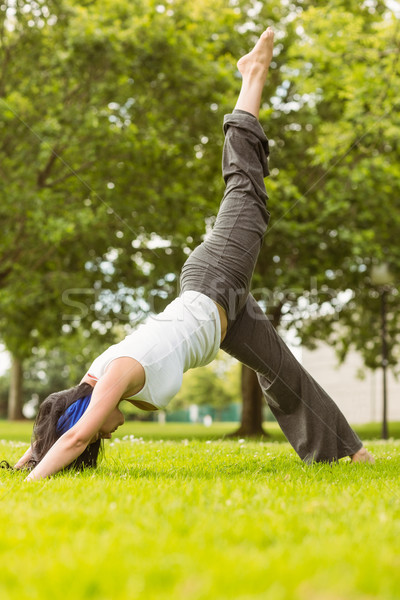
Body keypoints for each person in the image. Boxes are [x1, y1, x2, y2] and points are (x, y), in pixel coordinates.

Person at [11, 28, 373, 481]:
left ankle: (252, 77)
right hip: (223, 315)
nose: (109, 433)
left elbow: (74, 437)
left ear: (86, 409)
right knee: (280, 370)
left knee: (247, 192)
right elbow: (59, 429)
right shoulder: (96, 376)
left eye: (102, 430)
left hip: (215, 281)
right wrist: (30, 454)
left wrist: (30, 483)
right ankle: (348, 453)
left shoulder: (114, 375)